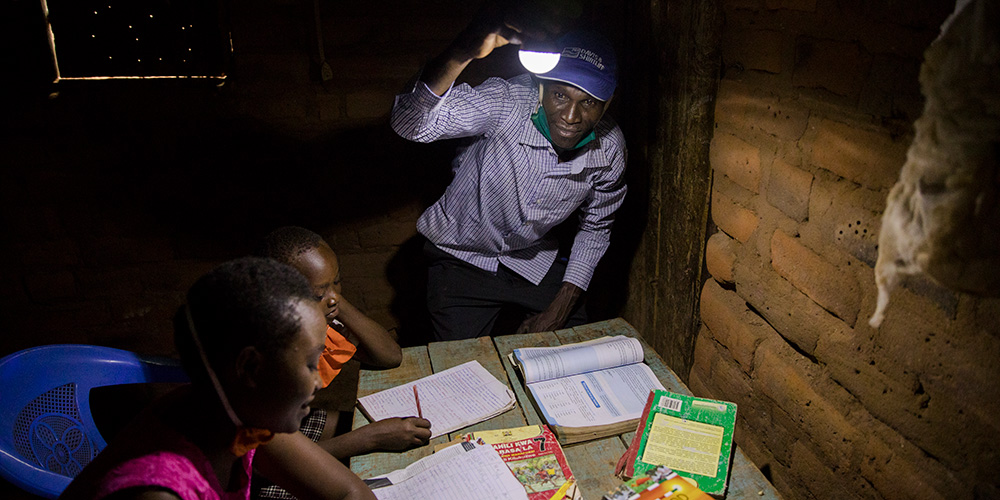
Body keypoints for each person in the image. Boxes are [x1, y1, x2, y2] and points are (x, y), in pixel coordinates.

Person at [390, 9, 627, 341]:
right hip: (460, 258)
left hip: (531, 259)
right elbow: (409, 125)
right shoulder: (506, 102)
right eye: (560, 95)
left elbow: (596, 228)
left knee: (579, 344)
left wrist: (558, 309)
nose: (571, 116)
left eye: (588, 102)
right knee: (464, 369)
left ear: (608, 102)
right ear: (541, 86)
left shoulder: (610, 148)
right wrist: (463, 50)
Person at [59, 257, 375, 500]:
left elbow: (350, 493)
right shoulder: (157, 491)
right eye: (309, 364)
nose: (318, 381)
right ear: (250, 368)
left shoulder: (239, 413)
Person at [253, 226, 431, 500]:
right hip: (254, 475)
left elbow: (389, 356)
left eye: (337, 281)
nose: (333, 296)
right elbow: (262, 467)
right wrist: (368, 438)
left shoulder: (317, 318)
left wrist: (333, 299)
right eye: (317, 293)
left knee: (367, 426)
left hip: (290, 431)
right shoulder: (266, 358)